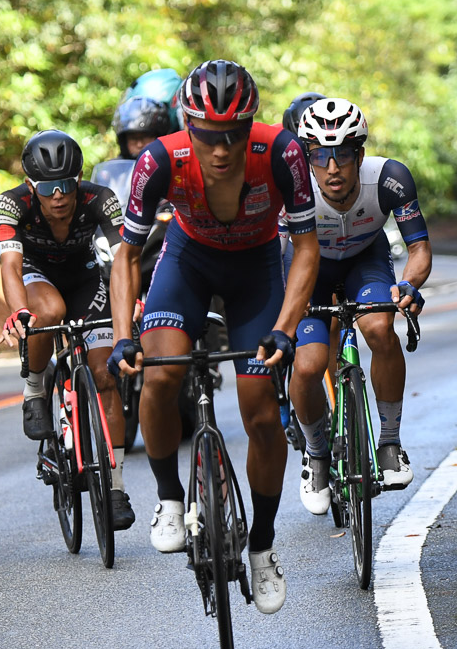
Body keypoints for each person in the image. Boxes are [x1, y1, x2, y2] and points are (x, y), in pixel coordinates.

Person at [106, 59, 320, 615]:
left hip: (256, 272)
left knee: (262, 412)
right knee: (161, 374)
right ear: (186, 125)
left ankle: (264, 545)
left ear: (251, 126)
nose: (221, 149)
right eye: (207, 136)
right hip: (188, 263)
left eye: (233, 135)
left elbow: (306, 248)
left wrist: (285, 327)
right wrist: (125, 336)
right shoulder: (159, 158)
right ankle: (171, 500)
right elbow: (127, 254)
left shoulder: (281, 153)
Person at [284, 98, 431, 515]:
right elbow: (271, 255)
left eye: (343, 154)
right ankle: (316, 455)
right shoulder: (290, 186)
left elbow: (419, 248)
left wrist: (408, 284)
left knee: (380, 330)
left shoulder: (389, 178)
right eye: (319, 156)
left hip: (365, 261)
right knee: (310, 365)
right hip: (308, 268)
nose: (332, 168)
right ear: (307, 157)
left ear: (359, 155)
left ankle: (388, 443)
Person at [0, 129, 134, 529]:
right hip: (38, 277)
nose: (58, 196)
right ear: (30, 186)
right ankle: (35, 390)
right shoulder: (11, 203)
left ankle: (116, 485)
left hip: (87, 277)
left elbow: (124, 259)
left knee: (105, 376)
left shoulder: (100, 200)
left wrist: (130, 309)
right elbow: (10, 266)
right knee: (49, 310)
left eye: (66, 185)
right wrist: (20, 312)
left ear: (79, 180)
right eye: (48, 187)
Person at [113, 96, 174, 161]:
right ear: (124, 141)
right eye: (133, 138)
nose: (140, 145)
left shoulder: (173, 163)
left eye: (146, 137)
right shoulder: (114, 168)